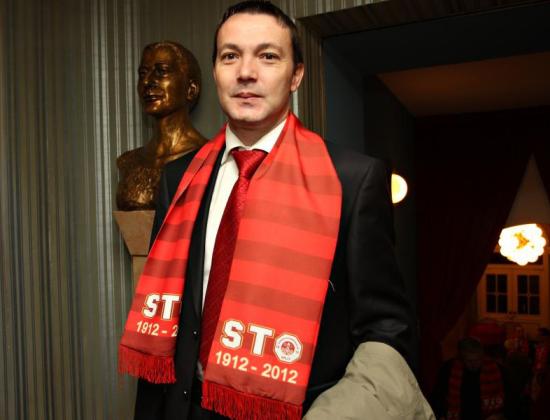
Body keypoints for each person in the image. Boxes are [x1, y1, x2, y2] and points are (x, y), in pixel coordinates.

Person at [119, 2, 433, 419]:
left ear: (296, 75)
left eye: (267, 56)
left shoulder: (353, 179)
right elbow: (167, 328)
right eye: (230, 56)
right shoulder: (178, 179)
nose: (246, 72)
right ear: (215, 71)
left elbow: (387, 329)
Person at [116, 41, 207, 210]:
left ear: (191, 89)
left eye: (162, 71)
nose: (147, 82)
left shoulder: (209, 158)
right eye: (143, 74)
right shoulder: (129, 161)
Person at [431, 337, 505, 420]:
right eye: (469, 361)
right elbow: (438, 397)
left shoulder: (496, 369)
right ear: (462, 358)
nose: (474, 364)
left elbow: (509, 399)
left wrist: (499, 415)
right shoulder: (448, 369)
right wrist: (441, 415)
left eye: (478, 359)